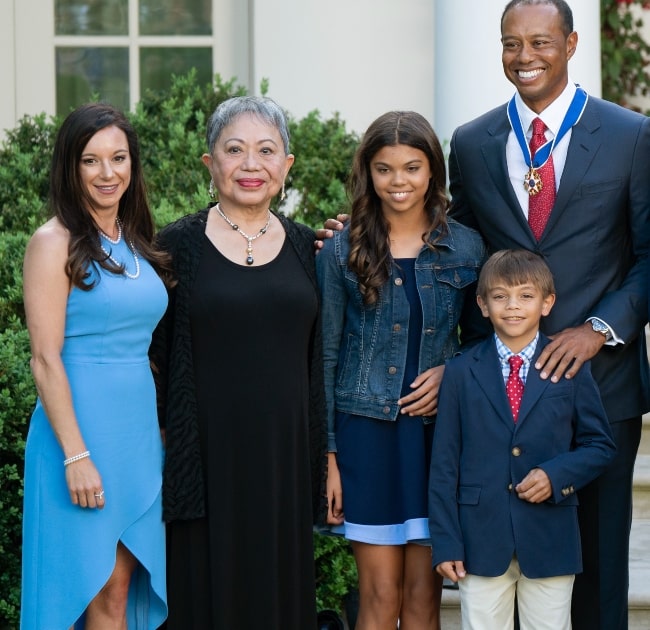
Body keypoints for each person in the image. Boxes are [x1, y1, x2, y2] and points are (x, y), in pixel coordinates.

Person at [319, 1, 650, 627]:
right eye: (510, 44)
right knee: (495, 562)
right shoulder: (472, 142)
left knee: (599, 570)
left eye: (540, 42)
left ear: (572, 43)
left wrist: (600, 328)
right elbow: (452, 254)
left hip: (600, 387)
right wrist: (362, 232)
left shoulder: (631, 136)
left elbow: (648, 254)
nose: (524, 57)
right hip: (495, 400)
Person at [149, 95, 327, 629]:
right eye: (235, 150)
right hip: (205, 459)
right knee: (205, 593)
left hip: (284, 461)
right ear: (210, 163)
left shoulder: (308, 247)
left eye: (267, 151)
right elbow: (155, 357)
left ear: (286, 166)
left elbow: (321, 354)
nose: (251, 165)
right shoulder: (176, 246)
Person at [316, 110, 486, 629]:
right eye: (384, 169)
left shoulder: (465, 246)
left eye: (412, 168)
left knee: (423, 602)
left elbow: (486, 344)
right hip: (364, 436)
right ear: (368, 172)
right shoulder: (342, 249)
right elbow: (325, 353)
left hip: (439, 441)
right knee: (379, 599)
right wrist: (329, 457)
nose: (398, 182)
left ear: (433, 170)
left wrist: (450, 373)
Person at [21, 103, 169, 629]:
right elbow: (44, 358)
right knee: (91, 586)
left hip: (137, 441)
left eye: (119, 158)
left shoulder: (135, 243)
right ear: (71, 166)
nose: (108, 173)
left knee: (122, 586)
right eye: (91, 160)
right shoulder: (52, 242)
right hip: (78, 437)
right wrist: (75, 454)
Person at [428, 249, 616, 630]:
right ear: (482, 304)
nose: (512, 307)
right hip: (480, 541)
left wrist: (556, 476)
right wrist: (446, 543)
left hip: (551, 540)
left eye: (526, 296)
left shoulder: (570, 366)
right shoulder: (460, 372)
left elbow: (600, 446)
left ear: (547, 303)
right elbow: (444, 464)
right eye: (500, 296)